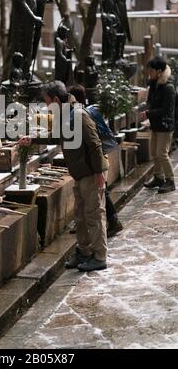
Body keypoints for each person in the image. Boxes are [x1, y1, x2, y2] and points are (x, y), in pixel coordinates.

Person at [42, 81, 108, 272]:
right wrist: (32, 139)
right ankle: (84, 251)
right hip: (79, 174)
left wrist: (98, 172)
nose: (46, 107)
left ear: (55, 99)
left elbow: (95, 145)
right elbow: (57, 136)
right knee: (80, 217)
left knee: (94, 215)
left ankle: (100, 256)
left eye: (47, 102)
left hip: (90, 173)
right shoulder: (64, 116)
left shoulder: (77, 115)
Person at [68, 84, 124, 238]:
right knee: (102, 193)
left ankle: (113, 222)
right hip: (99, 158)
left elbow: (93, 143)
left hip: (97, 159)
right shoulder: (86, 111)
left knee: (101, 194)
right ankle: (110, 222)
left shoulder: (82, 115)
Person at [142, 57, 176, 194]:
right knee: (154, 153)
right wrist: (148, 111)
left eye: (151, 70)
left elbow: (166, 110)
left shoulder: (168, 87)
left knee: (162, 153)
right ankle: (158, 178)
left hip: (165, 125)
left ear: (159, 71)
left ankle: (170, 180)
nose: (149, 72)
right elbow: (150, 102)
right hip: (155, 124)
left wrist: (149, 114)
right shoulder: (154, 84)